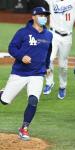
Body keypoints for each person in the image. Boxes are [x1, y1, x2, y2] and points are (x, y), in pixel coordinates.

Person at [0, 7, 52, 141]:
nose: (44, 17)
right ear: (33, 16)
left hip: (37, 74)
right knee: (5, 101)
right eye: (41, 15)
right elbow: (12, 48)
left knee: (33, 100)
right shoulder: (23, 32)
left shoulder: (49, 35)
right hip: (20, 73)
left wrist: (46, 67)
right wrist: (21, 56)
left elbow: (48, 52)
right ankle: (2, 93)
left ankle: (24, 128)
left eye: (45, 15)